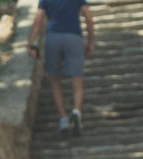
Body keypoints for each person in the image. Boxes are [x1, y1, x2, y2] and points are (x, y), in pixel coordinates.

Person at [27, 0, 94, 136]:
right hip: (73, 37)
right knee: (77, 81)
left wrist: (31, 44)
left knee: (55, 79)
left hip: (53, 38)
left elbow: (38, 20)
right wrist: (90, 42)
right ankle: (76, 111)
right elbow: (88, 17)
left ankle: (63, 118)